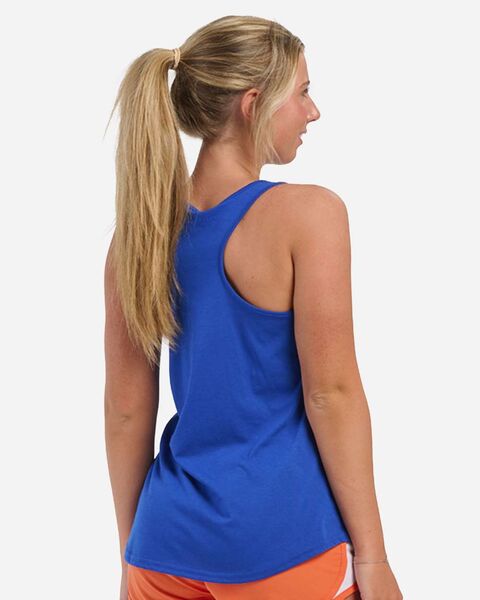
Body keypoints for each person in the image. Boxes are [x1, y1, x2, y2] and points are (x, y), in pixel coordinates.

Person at [104, 15, 403, 600]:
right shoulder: (308, 215)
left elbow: (124, 412)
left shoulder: (137, 237)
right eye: (303, 93)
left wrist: (134, 555)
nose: (313, 112)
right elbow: (331, 394)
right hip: (279, 545)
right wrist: (373, 557)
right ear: (253, 103)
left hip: (162, 549)